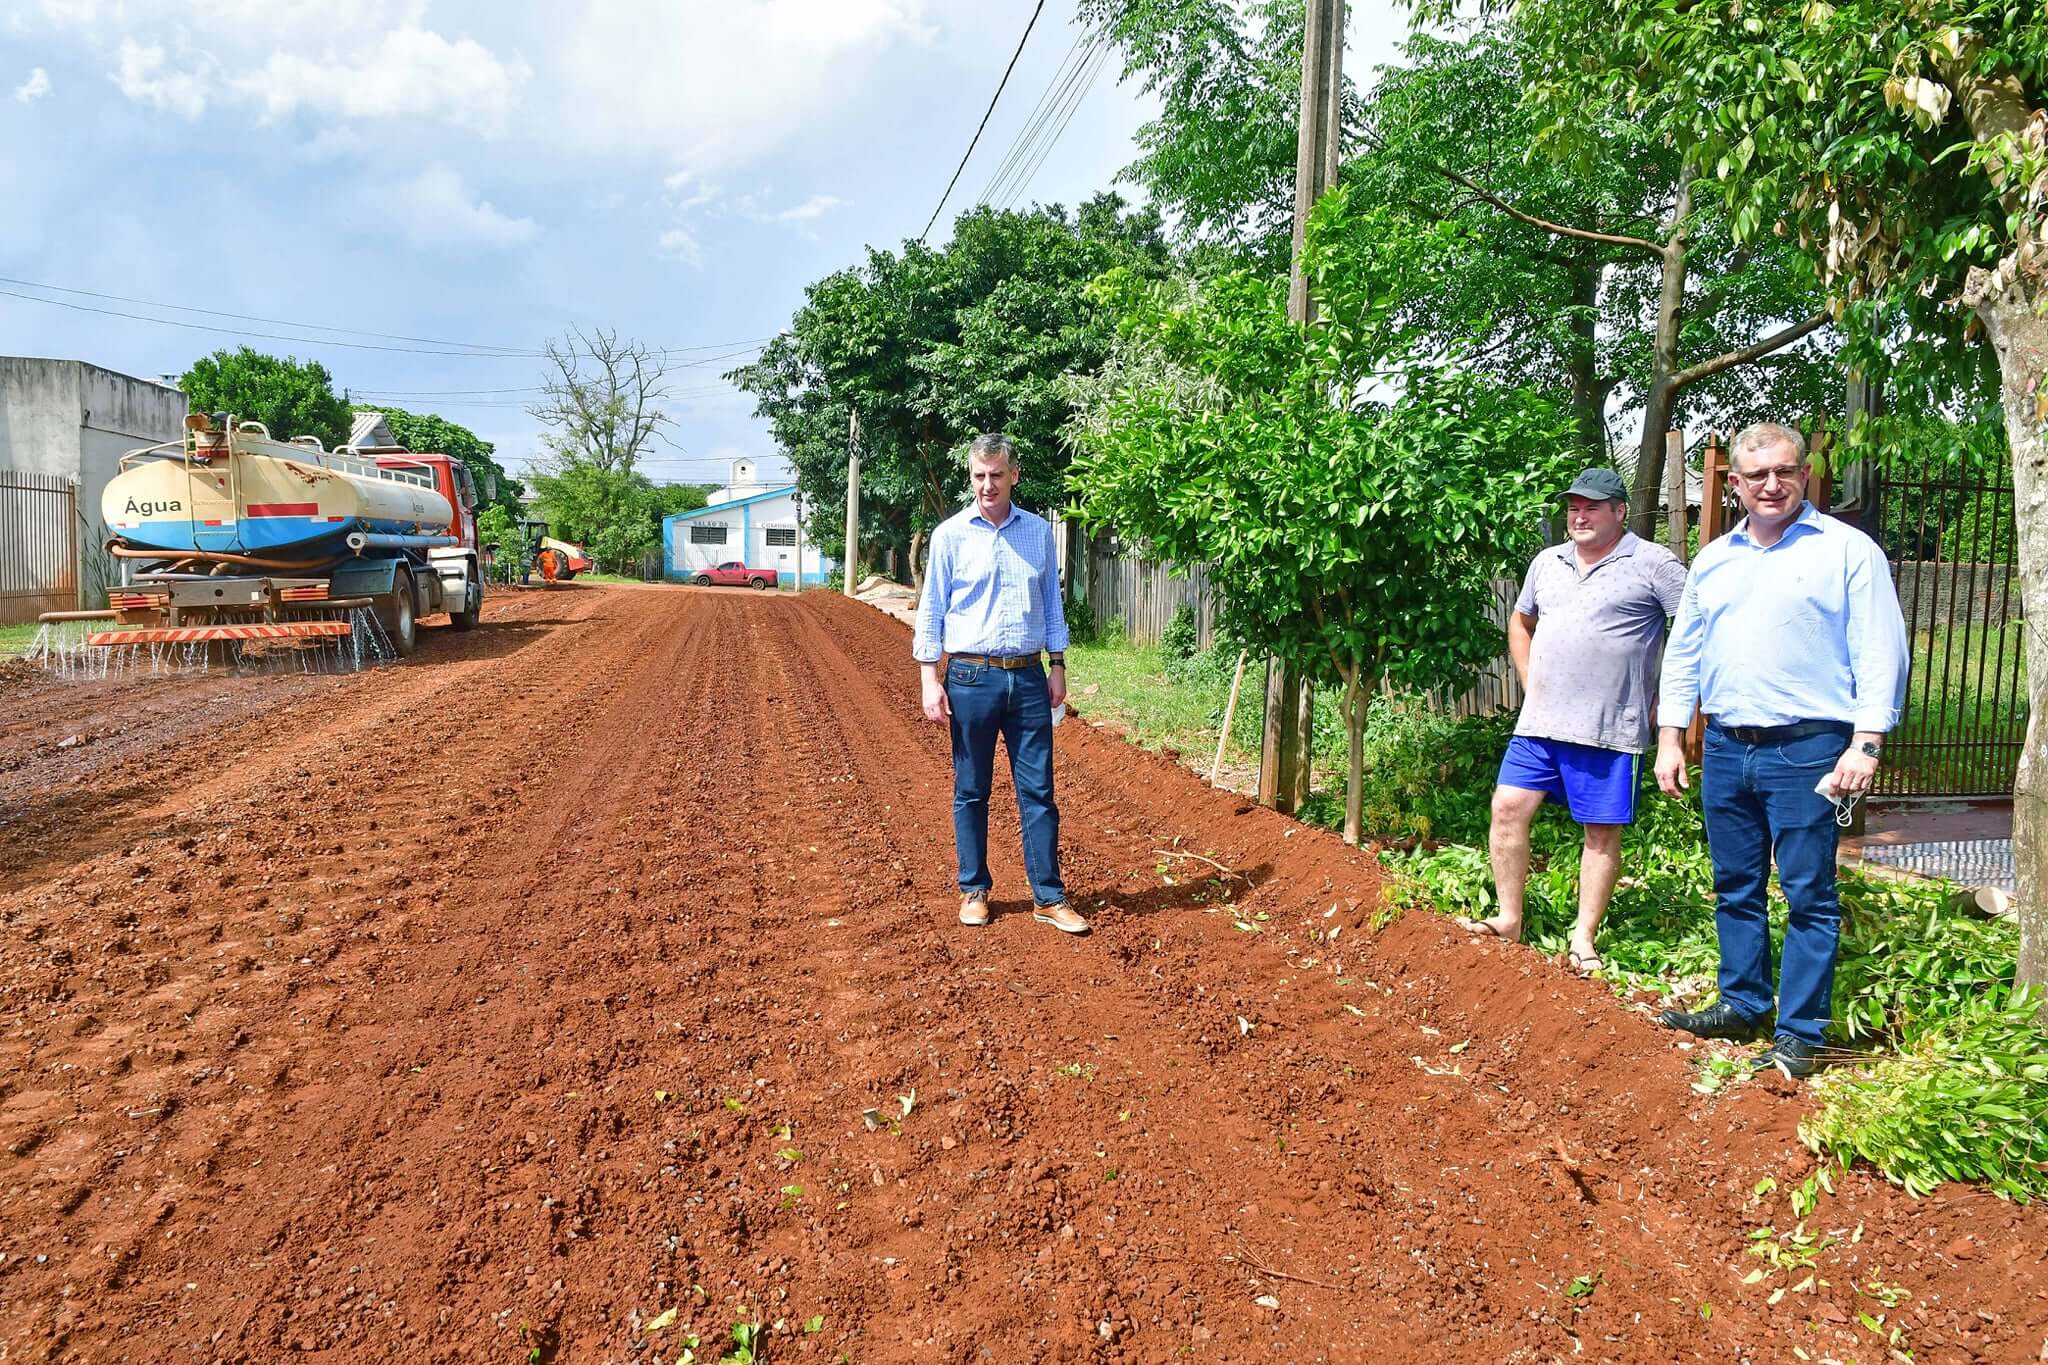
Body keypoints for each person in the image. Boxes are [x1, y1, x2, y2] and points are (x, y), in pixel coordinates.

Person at [1654, 422, 1907, 1078]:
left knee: (1808, 893)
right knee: (1734, 884)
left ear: (1805, 474)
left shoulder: (1848, 552)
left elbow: (1882, 649)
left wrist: (1867, 742)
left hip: (1810, 749)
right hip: (1731, 748)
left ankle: (1799, 1035)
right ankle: (1742, 1003)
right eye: (1756, 475)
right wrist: (1670, 736)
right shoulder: (1714, 559)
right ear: (1733, 483)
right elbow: (1685, 652)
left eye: (1784, 471)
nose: (1772, 484)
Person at [1464, 467, 1687, 973]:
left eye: (1592, 507)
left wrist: (1669, 700)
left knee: (1601, 833)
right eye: (1573, 508)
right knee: (1507, 809)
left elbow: (1694, 632)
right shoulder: (1548, 562)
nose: (1579, 516)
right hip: (1539, 725)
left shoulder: (1654, 564)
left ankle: (1582, 936)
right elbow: (1520, 623)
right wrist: (1529, 681)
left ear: (1620, 511)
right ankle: (1509, 918)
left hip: (1610, 728)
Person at [912, 434, 1088, 935]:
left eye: (996, 475)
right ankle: (973, 889)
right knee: (972, 790)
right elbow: (932, 612)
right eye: (978, 476)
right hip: (969, 677)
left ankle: (1049, 898)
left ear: (1014, 475)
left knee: (1039, 791)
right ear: (971, 478)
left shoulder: (1037, 532)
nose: (987, 485)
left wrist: (1058, 665)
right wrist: (930, 678)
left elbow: (1052, 607)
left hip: (1029, 677)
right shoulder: (949, 536)